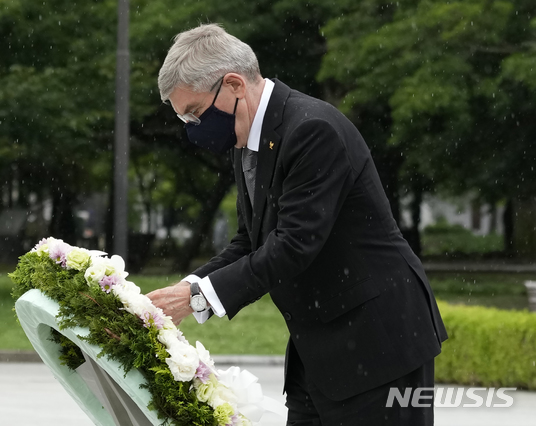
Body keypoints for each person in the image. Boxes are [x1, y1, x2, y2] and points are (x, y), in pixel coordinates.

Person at [147, 23, 447, 426]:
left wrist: (200, 298)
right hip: (321, 352)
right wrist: (185, 289)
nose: (192, 129)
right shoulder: (247, 137)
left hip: (379, 345)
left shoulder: (311, 129)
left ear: (234, 84)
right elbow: (250, 241)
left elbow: (293, 245)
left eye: (195, 114)